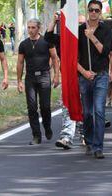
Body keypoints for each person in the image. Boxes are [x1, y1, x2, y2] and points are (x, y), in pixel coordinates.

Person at [44, 12, 86, 150]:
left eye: (81, 24)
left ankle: (85, 133)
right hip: (68, 77)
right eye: (77, 23)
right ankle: (66, 136)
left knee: (84, 106)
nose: (79, 26)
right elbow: (48, 37)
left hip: (85, 77)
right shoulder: (64, 39)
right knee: (67, 105)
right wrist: (55, 21)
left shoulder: (87, 38)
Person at [77, 0, 112, 159]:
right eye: (91, 10)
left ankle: (98, 147)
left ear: (100, 13)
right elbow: (71, 57)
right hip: (85, 76)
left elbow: (105, 51)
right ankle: (89, 141)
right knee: (87, 113)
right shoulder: (79, 30)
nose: (93, 13)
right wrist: (84, 72)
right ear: (87, 11)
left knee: (99, 110)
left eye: (96, 10)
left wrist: (92, 37)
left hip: (101, 75)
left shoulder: (106, 30)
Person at [17, 18, 60, 145]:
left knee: (45, 106)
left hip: (44, 76)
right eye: (29, 27)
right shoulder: (23, 44)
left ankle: (47, 126)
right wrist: (19, 80)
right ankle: (36, 135)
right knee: (31, 107)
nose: (30, 30)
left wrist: (57, 75)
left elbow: (55, 58)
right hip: (30, 78)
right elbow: (20, 62)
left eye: (33, 27)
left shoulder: (47, 41)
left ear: (38, 28)